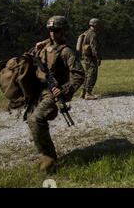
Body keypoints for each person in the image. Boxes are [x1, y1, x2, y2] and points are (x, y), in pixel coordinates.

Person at [27, 16, 85, 173]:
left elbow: (79, 74)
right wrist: (38, 46)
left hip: (53, 93)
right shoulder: (44, 46)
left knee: (36, 120)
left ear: (64, 31)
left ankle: (49, 160)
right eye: (51, 30)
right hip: (39, 91)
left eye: (57, 30)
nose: (53, 33)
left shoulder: (66, 51)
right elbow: (30, 59)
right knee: (33, 122)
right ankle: (46, 155)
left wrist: (65, 89)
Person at [79, 18, 101, 100]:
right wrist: (97, 57)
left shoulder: (86, 32)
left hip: (85, 56)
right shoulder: (92, 34)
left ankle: (83, 93)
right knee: (92, 74)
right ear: (96, 25)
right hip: (91, 57)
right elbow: (94, 47)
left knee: (87, 74)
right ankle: (88, 93)